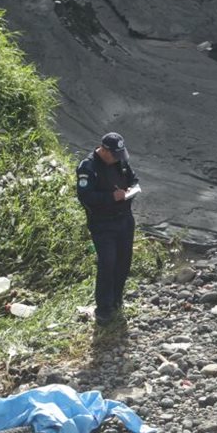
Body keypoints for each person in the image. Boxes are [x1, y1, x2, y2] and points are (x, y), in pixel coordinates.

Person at [76, 132, 139, 325]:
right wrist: (112, 197)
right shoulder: (88, 167)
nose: (118, 159)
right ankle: (103, 308)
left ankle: (116, 300)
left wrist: (132, 189)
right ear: (103, 150)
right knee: (107, 263)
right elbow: (85, 197)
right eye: (114, 155)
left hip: (124, 219)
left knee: (123, 260)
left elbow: (133, 179)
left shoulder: (120, 161)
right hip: (103, 223)